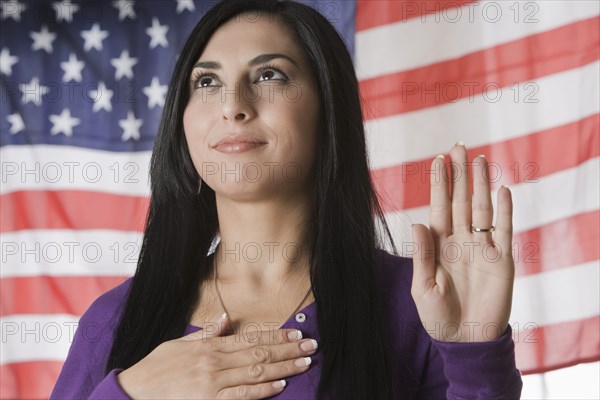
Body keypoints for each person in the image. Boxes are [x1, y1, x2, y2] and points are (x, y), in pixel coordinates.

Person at [51, 0, 523, 399]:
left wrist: (476, 353)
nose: (233, 104)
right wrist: (131, 392)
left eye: (270, 74)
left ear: (328, 109)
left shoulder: (419, 303)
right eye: (207, 82)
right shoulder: (114, 321)